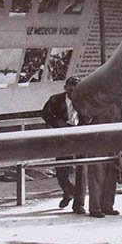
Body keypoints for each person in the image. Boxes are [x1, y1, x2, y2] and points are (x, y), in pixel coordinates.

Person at [41, 76, 85, 214]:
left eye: (76, 90)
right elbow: (45, 114)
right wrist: (58, 123)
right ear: (65, 88)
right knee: (62, 169)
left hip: (80, 136)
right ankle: (68, 191)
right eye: (70, 90)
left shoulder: (84, 99)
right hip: (63, 137)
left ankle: (79, 204)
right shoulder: (55, 99)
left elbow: (91, 115)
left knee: (81, 171)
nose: (73, 93)